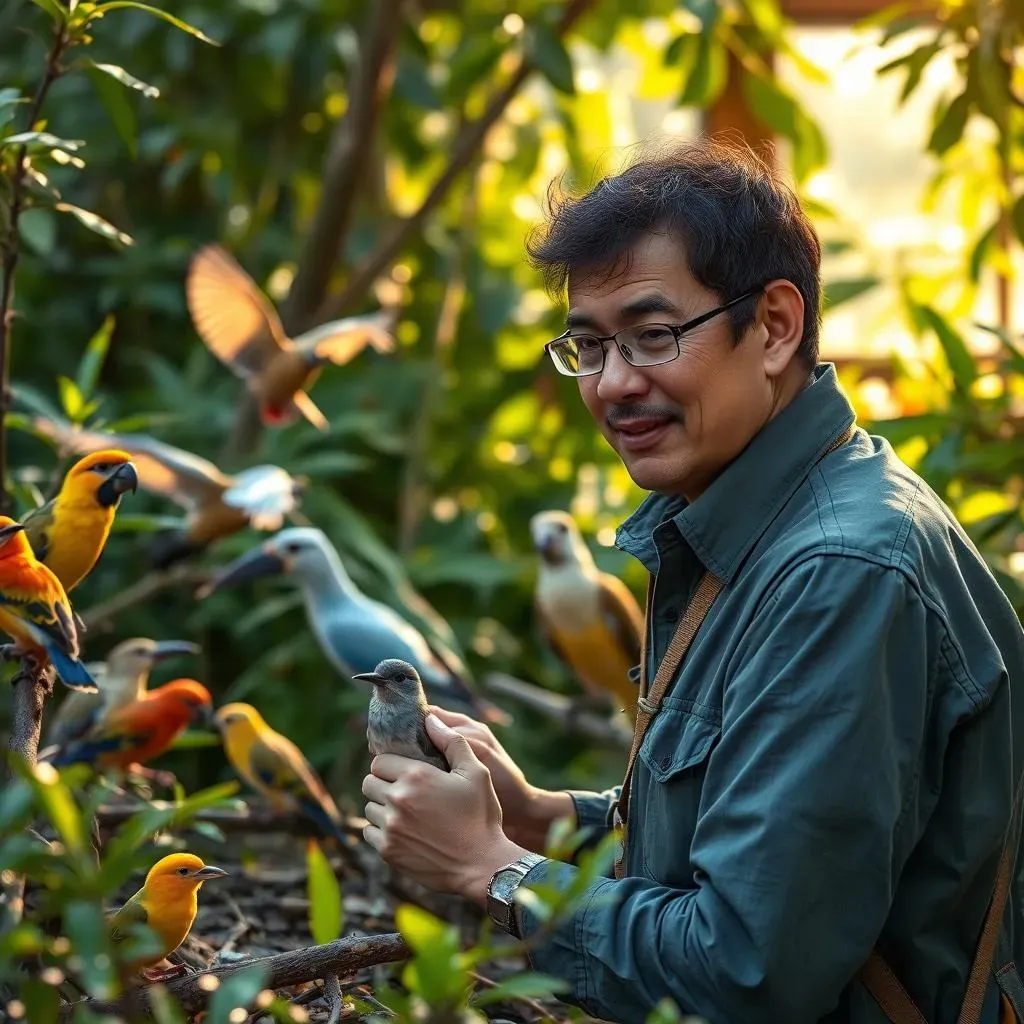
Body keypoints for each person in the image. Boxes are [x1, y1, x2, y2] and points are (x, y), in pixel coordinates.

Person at [360, 138, 1024, 1024]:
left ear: (776, 327)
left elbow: (747, 967)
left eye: (653, 335)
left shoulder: (838, 575)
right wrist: (538, 816)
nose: (613, 384)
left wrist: (494, 869)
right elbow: (746, 826)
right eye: (588, 346)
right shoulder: (754, 520)